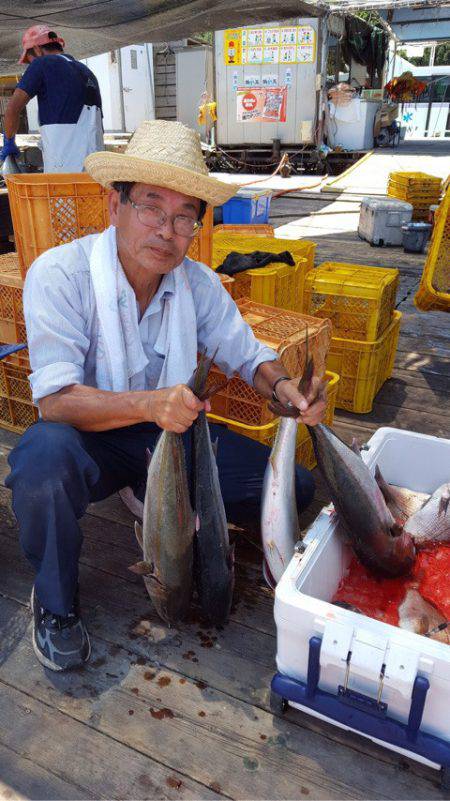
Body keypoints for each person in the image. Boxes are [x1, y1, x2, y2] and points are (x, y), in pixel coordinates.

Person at [5, 119, 326, 672]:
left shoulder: (196, 282)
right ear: (115, 206)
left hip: (172, 436)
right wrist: (150, 405)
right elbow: (54, 401)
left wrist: (284, 388)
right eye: (152, 207)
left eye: (184, 216)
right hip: (91, 436)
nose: (167, 230)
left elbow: (247, 354)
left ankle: (156, 502)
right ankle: (55, 604)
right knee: (40, 464)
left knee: (294, 485)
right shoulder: (60, 274)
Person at [1, 24, 103, 172]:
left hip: (64, 166)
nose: (30, 64)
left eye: (29, 60)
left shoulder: (41, 64)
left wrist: (9, 141)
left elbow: (12, 109)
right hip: (95, 167)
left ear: (37, 49)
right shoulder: (87, 71)